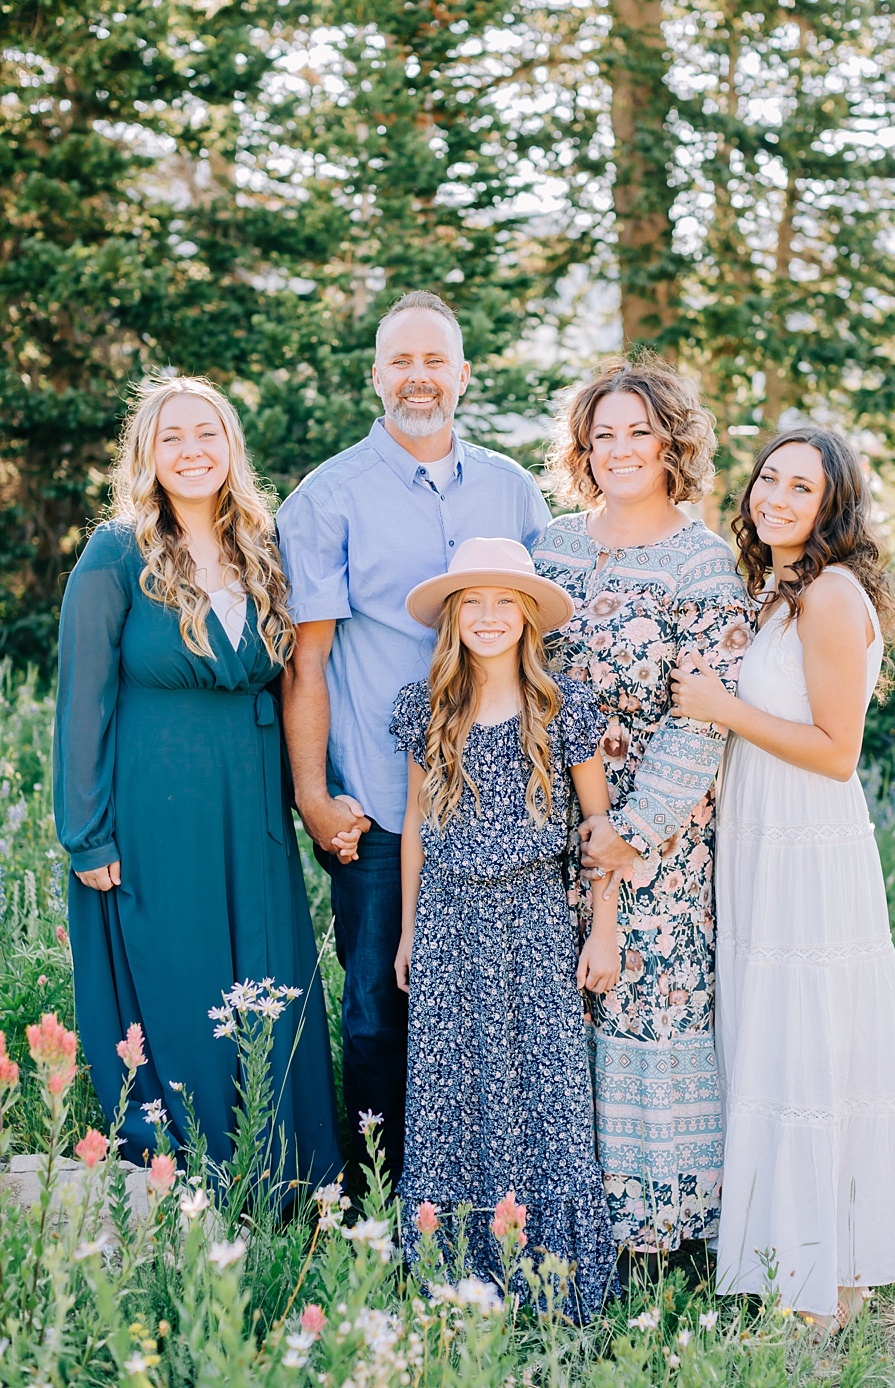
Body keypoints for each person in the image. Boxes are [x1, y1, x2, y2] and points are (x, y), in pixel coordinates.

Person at [670, 426, 895, 1329]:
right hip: (759, 836)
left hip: (807, 840)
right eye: (770, 480)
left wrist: (721, 707)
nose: (778, 499)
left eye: (803, 489)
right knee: (777, 1039)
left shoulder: (828, 593)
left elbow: (836, 753)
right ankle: (810, 1264)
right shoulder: (776, 591)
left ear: (833, 508)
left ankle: (826, 1280)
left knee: (815, 1043)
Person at [276, 292, 549, 1179]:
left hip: (508, 804)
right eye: (401, 361)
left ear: (463, 375)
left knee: (505, 1011)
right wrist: (315, 796)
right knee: (379, 1011)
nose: (418, 378)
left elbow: (550, 638)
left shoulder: (513, 490)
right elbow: (306, 664)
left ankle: (485, 1196)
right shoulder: (327, 498)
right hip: (388, 809)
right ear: (376, 375)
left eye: (435, 361)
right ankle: (379, 1210)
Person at [53, 374, 342, 1184]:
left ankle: (287, 1181)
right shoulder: (116, 555)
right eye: (172, 437)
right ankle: (194, 1177)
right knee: (180, 983)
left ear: (230, 448)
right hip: (153, 814)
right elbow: (81, 704)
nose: (191, 451)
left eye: (205, 434)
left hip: (250, 810)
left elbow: (301, 677)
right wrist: (86, 832)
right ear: (146, 454)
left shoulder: (264, 549)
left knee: (265, 976)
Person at [532, 358, 752, 1253]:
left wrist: (630, 834)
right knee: (557, 1004)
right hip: (547, 819)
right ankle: (560, 1213)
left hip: (652, 829)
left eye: (638, 431)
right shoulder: (549, 545)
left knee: (641, 999)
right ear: (583, 449)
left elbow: (705, 720)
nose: (620, 449)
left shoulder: (701, 563)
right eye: (603, 434)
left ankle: (654, 1231)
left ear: (673, 441)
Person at [390, 537, 619, 1317]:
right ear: (454, 619)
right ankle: (456, 1280)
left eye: (504, 604)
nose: (489, 618)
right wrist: (407, 932)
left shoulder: (564, 707)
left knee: (543, 1091)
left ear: (527, 617)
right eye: (473, 604)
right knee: (452, 1090)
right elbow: (415, 828)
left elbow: (599, 831)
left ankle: (552, 1286)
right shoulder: (424, 708)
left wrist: (604, 931)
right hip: (450, 922)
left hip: (535, 922)